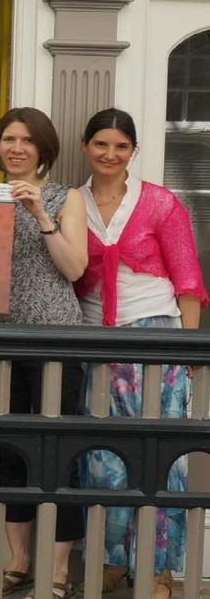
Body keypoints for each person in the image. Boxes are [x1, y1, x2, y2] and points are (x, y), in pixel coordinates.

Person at [77, 108, 208, 599]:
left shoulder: (159, 202)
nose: (110, 154)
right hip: (96, 338)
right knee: (101, 459)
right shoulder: (74, 202)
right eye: (101, 144)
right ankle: (110, 559)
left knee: (161, 459)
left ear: (133, 151)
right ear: (85, 145)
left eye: (121, 147)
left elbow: (189, 280)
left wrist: (189, 350)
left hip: (155, 335)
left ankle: (155, 569)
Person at [0, 108, 88, 599]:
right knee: (10, 455)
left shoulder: (68, 197)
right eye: (8, 139)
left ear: (44, 148)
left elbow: (75, 268)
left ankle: (58, 571)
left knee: (57, 455)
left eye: (27, 140)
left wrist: (41, 214)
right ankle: (18, 563)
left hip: (54, 340)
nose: (16, 148)